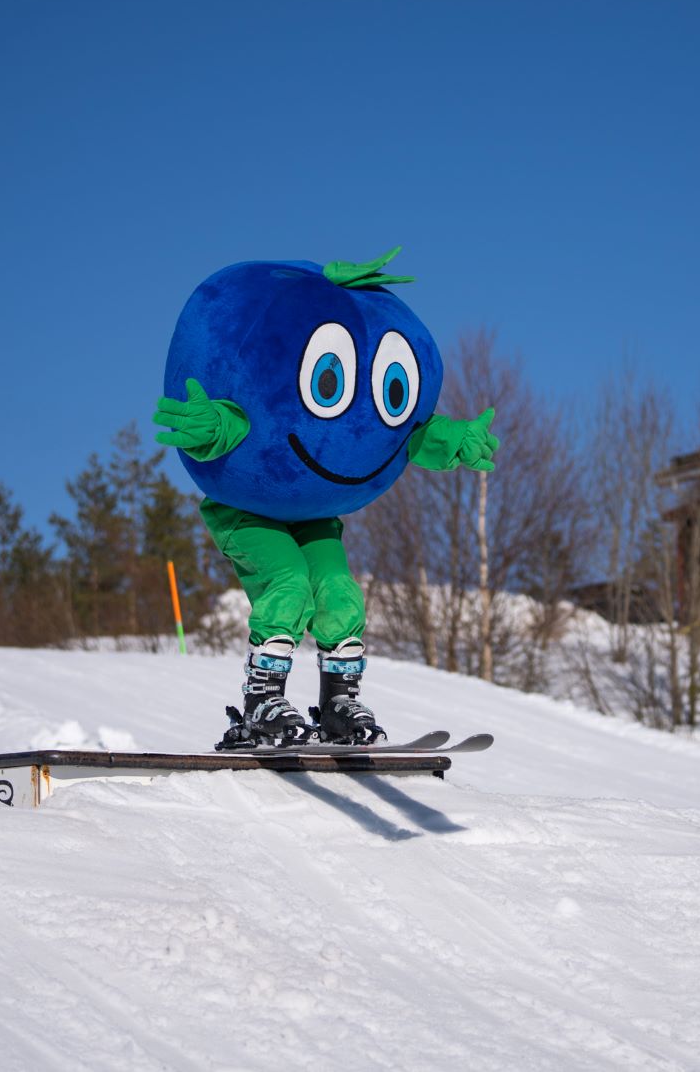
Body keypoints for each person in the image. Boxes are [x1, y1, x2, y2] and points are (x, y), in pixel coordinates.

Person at [154, 248, 500, 747]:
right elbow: (245, 415)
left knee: (339, 591)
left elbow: (410, 434)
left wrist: (456, 441)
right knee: (289, 583)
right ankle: (262, 700)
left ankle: (338, 700)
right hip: (246, 513)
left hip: (316, 516)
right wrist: (211, 429)